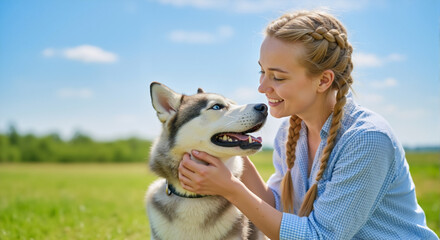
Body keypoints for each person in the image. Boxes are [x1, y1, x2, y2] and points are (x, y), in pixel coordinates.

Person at [178, 10, 439, 240]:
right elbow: (278, 208)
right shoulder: (289, 134)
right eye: (262, 71)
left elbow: (319, 237)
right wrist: (228, 143)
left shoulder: (367, 140)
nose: (262, 87)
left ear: (323, 81)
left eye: (278, 77)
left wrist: (231, 189)